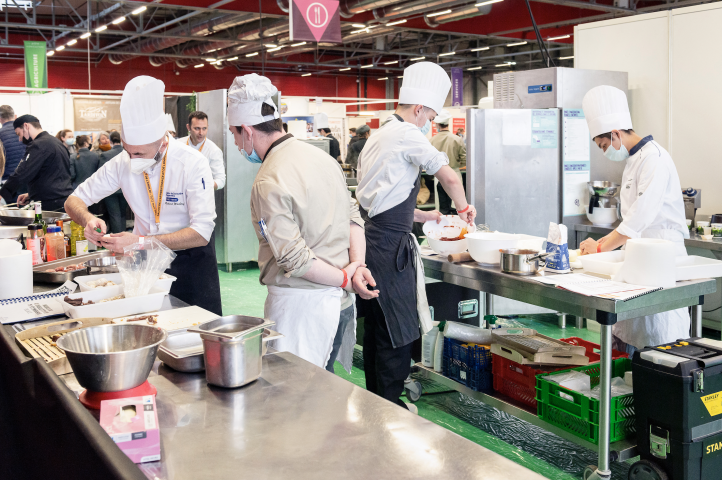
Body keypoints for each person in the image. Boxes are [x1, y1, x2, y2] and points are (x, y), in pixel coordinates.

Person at [227, 73, 375, 373]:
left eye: (233, 133)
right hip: (342, 304)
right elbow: (353, 216)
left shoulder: (268, 179)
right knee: (325, 387)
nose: (235, 141)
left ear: (247, 130)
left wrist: (347, 277)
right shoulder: (323, 159)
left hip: (303, 309)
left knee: (298, 400)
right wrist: (356, 266)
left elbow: (293, 259)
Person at [355, 62, 476, 411]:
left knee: (379, 329)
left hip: (370, 242)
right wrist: (464, 208)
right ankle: (391, 407)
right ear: (418, 108)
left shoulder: (378, 134)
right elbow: (450, 178)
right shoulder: (408, 133)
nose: (429, 125)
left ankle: (377, 402)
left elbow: (381, 201)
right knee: (398, 330)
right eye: (430, 117)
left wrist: (426, 215)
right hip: (390, 252)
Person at [64, 75, 222, 315]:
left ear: (162, 143)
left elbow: (201, 233)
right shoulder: (122, 162)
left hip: (190, 261)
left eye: (139, 153)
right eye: (128, 151)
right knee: (147, 326)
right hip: (145, 263)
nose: (132, 159)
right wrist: (88, 220)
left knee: (195, 334)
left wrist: (139, 241)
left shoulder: (192, 163)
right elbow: (73, 200)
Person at [579, 85, 690, 355]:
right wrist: (604, 245)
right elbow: (630, 221)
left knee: (659, 340)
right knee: (630, 336)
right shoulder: (634, 159)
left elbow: (638, 219)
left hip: (661, 259)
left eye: (605, 145)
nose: (605, 151)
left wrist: (601, 248)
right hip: (639, 260)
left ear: (616, 133)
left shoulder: (655, 159)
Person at [0, 115, 73, 211]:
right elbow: (52, 175)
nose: (20, 139)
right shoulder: (56, 142)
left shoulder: (38, 145)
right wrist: (32, 194)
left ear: (26, 126)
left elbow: (22, 172)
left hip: (50, 204)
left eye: (19, 134)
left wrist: (3, 193)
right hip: (62, 200)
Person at [430, 111, 467, 215]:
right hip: (455, 173)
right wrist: (455, 165)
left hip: (438, 176)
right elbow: (464, 160)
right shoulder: (457, 139)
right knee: (458, 206)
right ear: (448, 123)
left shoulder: (432, 141)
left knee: (442, 208)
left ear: (437, 124)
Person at [178, 111, 226, 190]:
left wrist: (204, 186)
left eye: (204, 128)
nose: (201, 133)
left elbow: (221, 180)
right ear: (188, 127)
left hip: (202, 197)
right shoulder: (178, 145)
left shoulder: (213, 150)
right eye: (197, 128)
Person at [98, 131, 129, 234]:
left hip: (110, 190)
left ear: (110, 141)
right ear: (121, 140)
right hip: (125, 188)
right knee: (123, 214)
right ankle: (124, 238)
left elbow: (101, 173)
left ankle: (117, 239)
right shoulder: (128, 153)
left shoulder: (105, 155)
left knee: (114, 214)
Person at [0, 106, 25, 199]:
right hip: (26, 179)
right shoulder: (25, 132)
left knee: (11, 211)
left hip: (8, 181)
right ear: (15, 116)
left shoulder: (1, 134)